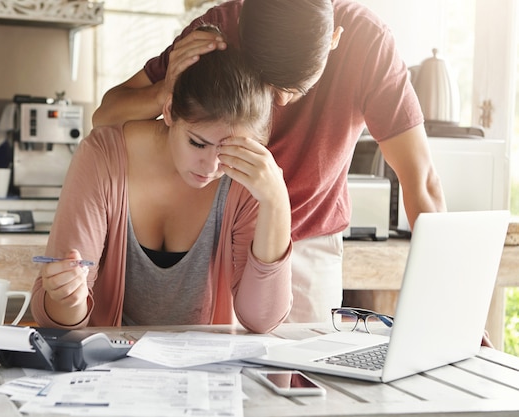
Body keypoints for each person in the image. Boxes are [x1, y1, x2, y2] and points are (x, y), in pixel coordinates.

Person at [92, 0, 447, 323]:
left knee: (306, 379)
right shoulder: (218, 30)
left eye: (294, 89)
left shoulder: (368, 42)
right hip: (221, 242)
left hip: (309, 237)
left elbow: (421, 181)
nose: (278, 102)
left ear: (334, 39)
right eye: (268, 82)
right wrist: (165, 88)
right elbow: (106, 116)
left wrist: (452, 305)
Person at [31, 38, 293, 334]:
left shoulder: (246, 178)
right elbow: (53, 320)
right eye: (197, 143)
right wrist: (68, 299)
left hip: (207, 371)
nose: (211, 167)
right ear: (169, 111)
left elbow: (262, 320)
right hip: (109, 370)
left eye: (228, 152)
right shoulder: (101, 157)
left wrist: (276, 202)